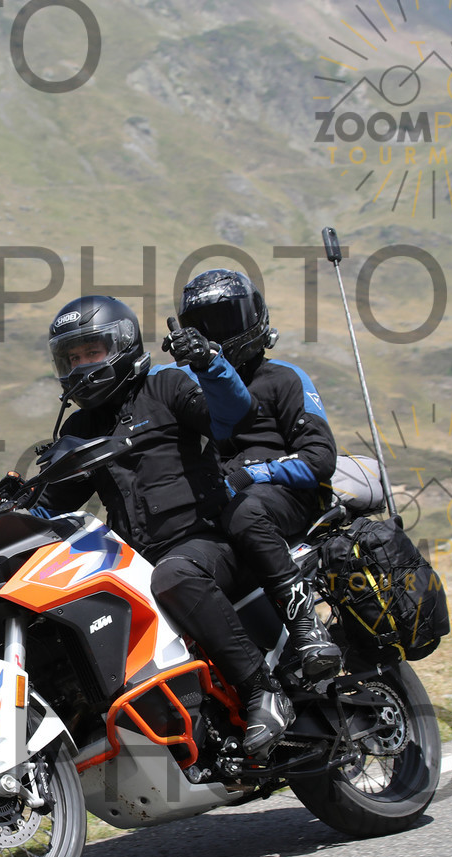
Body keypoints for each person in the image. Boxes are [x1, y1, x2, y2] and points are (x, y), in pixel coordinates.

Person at [34, 294, 293, 757]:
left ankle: (262, 691)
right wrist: (2, 508)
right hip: (143, 563)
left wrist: (210, 364)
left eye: (91, 351)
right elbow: (50, 507)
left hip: (209, 541)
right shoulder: (79, 430)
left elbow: (233, 416)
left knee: (174, 575)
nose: (81, 365)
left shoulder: (167, 386)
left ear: (122, 345)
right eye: (72, 357)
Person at [177, 268, 343, 681]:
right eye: (203, 326)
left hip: (290, 498)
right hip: (229, 507)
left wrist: (257, 473)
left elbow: (320, 458)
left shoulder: (284, 378)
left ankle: (306, 625)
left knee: (246, 512)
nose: (216, 333)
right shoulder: (192, 393)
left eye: (226, 320)